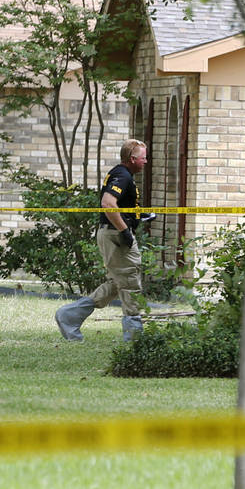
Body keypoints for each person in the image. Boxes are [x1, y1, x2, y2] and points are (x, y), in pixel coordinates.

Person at [55, 139, 151, 342]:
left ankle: (69, 316)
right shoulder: (123, 176)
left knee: (118, 283)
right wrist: (125, 231)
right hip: (116, 236)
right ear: (133, 159)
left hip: (111, 233)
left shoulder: (122, 174)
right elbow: (108, 204)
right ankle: (135, 341)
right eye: (143, 158)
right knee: (130, 281)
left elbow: (119, 206)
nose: (146, 161)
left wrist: (137, 216)